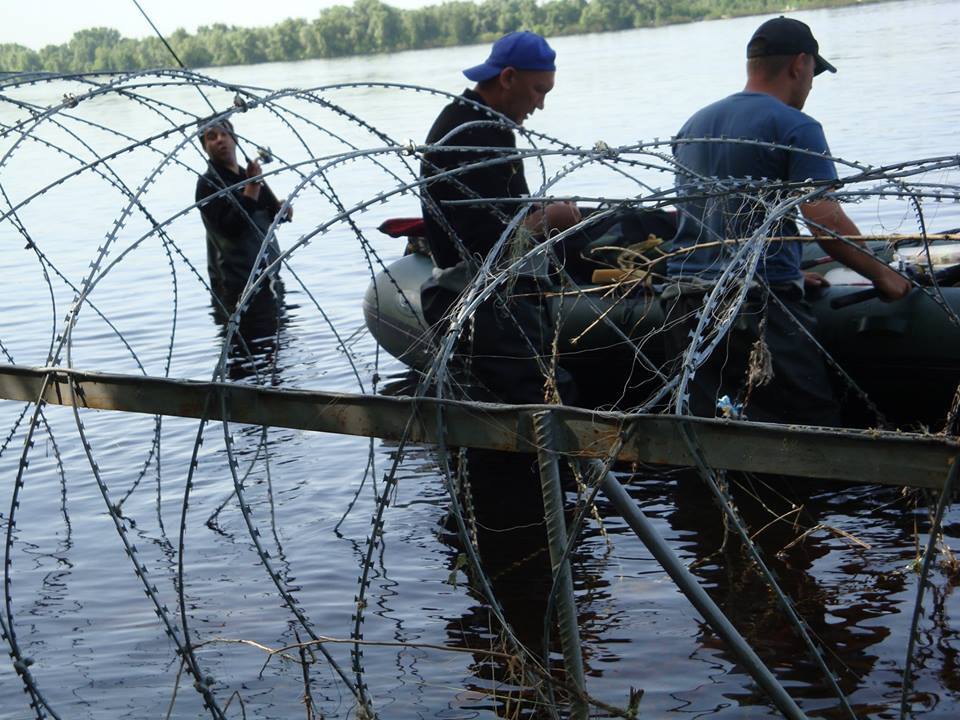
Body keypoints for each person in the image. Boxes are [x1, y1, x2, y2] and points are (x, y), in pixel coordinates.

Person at [662, 16, 911, 425]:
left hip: (687, 306)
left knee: (710, 434)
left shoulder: (694, 126)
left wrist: (789, 268)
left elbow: (714, 219)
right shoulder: (796, 126)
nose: (811, 83)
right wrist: (885, 276)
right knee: (807, 429)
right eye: (814, 70)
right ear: (799, 64)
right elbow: (824, 222)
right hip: (758, 310)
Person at [419, 31, 581, 405]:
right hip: (478, 303)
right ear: (507, 78)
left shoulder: (487, 125)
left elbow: (501, 210)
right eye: (539, 90)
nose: (540, 105)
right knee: (546, 404)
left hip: (497, 297)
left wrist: (542, 210)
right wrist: (545, 220)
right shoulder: (468, 136)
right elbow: (483, 247)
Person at [195, 118, 291, 315]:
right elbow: (233, 228)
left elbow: (271, 215)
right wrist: (252, 186)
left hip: (270, 277)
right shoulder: (208, 185)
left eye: (225, 134)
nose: (220, 140)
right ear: (205, 147)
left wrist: (282, 209)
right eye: (212, 137)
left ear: (235, 139)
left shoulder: (246, 174)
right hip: (235, 288)